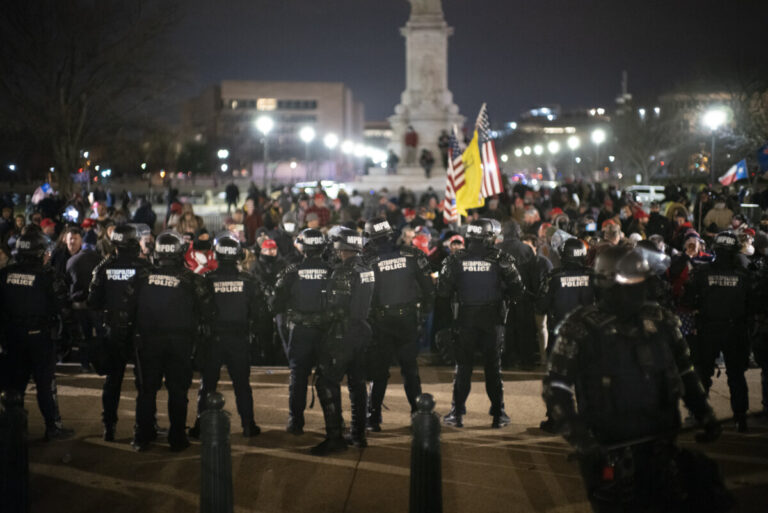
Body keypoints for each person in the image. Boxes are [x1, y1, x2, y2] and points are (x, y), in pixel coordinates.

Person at [542, 246, 728, 513]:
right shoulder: (580, 327)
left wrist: (703, 413)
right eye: (629, 281)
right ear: (606, 281)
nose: (635, 288)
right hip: (609, 450)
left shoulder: (662, 321)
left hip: (661, 444)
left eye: (640, 281)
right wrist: (581, 438)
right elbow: (556, 387)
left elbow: (686, 372)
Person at [129, 230, 217, 452]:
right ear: (180, 253)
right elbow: (208, 312)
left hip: (148, 342)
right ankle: (177, 437)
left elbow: (128, 307)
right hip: (180, 343)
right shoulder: (193, 280)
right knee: (178, 391)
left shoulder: (142, 277)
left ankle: (142, 435)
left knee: (147, 390)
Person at [436, 218, 523, 428]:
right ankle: (498, 414)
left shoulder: (455, 260)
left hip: (465, 319)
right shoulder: (501, 259)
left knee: (463, 368)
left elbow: (442, 292)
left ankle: (457, 414)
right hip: (492, 321)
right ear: (489, 237)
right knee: (493, 369)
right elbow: (518, 291)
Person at [0, 231, 74, 440]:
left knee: (14, 386)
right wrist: (69, 336)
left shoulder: (5, 274)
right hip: (40, 338)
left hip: (12, 339)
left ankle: (12, 430)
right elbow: (64, 309)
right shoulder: (48, 275)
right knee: (45, 385)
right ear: (39, 252)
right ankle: (53, 427)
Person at [362, 217, 434, 431]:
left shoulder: (368, 261)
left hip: (381, 323)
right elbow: (430, 290)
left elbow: (362, 296)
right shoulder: (412, 254)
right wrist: (421, 317)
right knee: (410, 371)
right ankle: (418, 415)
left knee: (379, 373)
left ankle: (373, 418)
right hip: (407, 321)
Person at [189, 235, 262, 439]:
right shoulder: (247, 280)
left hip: (213, 339)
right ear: (238, 255)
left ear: (217, 254)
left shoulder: (208, 280)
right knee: (242, 385)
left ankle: (199, 426)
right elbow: (257, 312)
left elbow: (198, 310)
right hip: (238, 339)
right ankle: (248, 425)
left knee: (208, 385)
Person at [312, 228, 374, 455]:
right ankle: (358, 435)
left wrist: (313, 319)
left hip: (343, 332)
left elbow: (334, 308)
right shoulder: (367, 268)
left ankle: (335, 437)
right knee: (357, 383)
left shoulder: (343, 272)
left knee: (326, 382)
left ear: (342, 247)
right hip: (362, 330)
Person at [87, 224, 151, 441]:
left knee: (113, 381)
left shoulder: (104, 267)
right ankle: (143, 429)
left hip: (112, 331)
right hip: (139, 332)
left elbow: (92, 301)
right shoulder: (143, 267)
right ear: (133, 243)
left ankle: (109, 428)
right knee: (143, 383)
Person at [688, 231, 754, 432]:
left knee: (703, 374)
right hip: (734, 330)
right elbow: (751, 304)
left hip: (709, 329)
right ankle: (740, 418)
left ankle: (701, 416)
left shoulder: (702, 272)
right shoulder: (744, 275)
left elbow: (688, 300)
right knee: (736, 375)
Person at [272, 229, 332, 435]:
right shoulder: (332, 270)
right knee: (327, 377)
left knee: (298, 378)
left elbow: (275, 304)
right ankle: (333, 424)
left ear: (303, 247)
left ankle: (295, 422)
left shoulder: (291, 271)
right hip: (325, 332)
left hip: (300, 333)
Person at [536, 238, 595, 432]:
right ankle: (587, 420)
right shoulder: (593, 276)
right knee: (585, 381)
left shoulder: (554, 277)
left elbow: (542, 306)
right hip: (587, 336)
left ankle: (556, 421)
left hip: (560, 336)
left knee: (558, 381)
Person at [66, 228, 103, 372]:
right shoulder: (100, 261)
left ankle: (85, 363)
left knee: (84, 336)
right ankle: (99, 363)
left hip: (78, 305)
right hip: (95, 305)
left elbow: (67, 281)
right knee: (99, 334)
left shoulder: (72, 260)